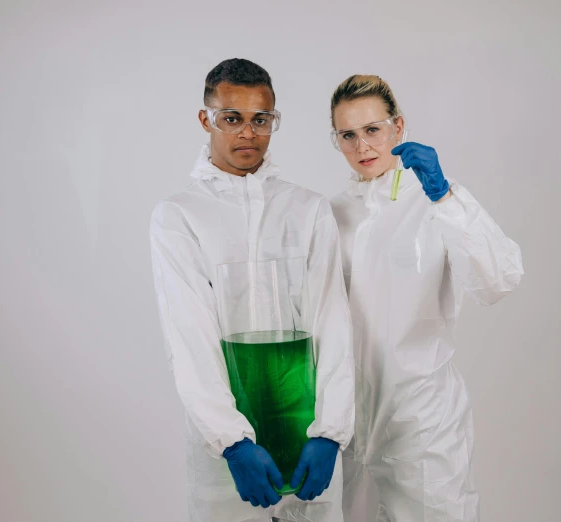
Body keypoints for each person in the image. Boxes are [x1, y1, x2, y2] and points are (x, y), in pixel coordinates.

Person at [150, 58, 355, 522]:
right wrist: (232, 441)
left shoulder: (307, 209)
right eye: (232, 118)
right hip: (226, 453)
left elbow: (333, 320)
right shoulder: (180, 216)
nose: (248, 133)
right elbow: (189, 338)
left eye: (260, 120)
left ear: (273, 121)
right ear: (206, 119)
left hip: (307, 436)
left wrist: (330, 432)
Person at [327, 75, 524, 522]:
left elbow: (497, 280)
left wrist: (445, 197)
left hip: (422, 422)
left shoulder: (435, 198)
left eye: (373, 129)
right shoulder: (335, 213)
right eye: (348, 135)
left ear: (398, 127)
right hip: (350, 425)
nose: (362, 146)